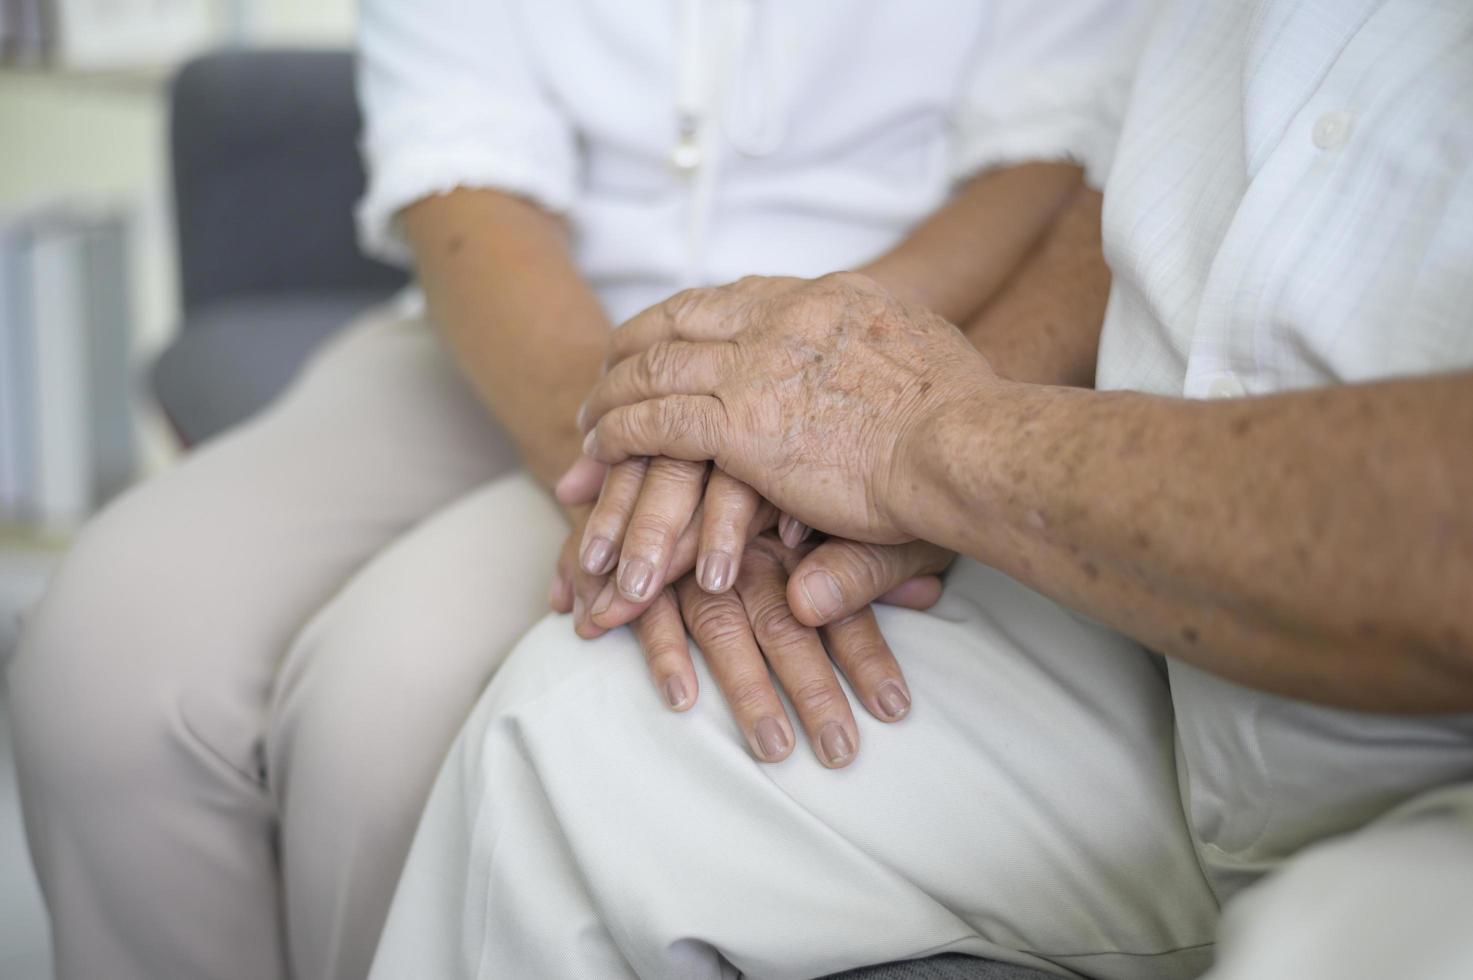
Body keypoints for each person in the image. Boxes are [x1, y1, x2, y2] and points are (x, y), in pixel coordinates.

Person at [4, 2, 1153, 978]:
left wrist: (804, 376)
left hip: (896, 337)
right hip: (503, 328)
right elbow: (463, 167)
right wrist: (668, 424)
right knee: (100, 661)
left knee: (386, 712)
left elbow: (1051, 151)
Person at [368, 1, 1473, 978]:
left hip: (1433, 754)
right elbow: (1133, 180)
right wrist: (824, 423)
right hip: (1139, 620)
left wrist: (940, 446)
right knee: (567, 734)